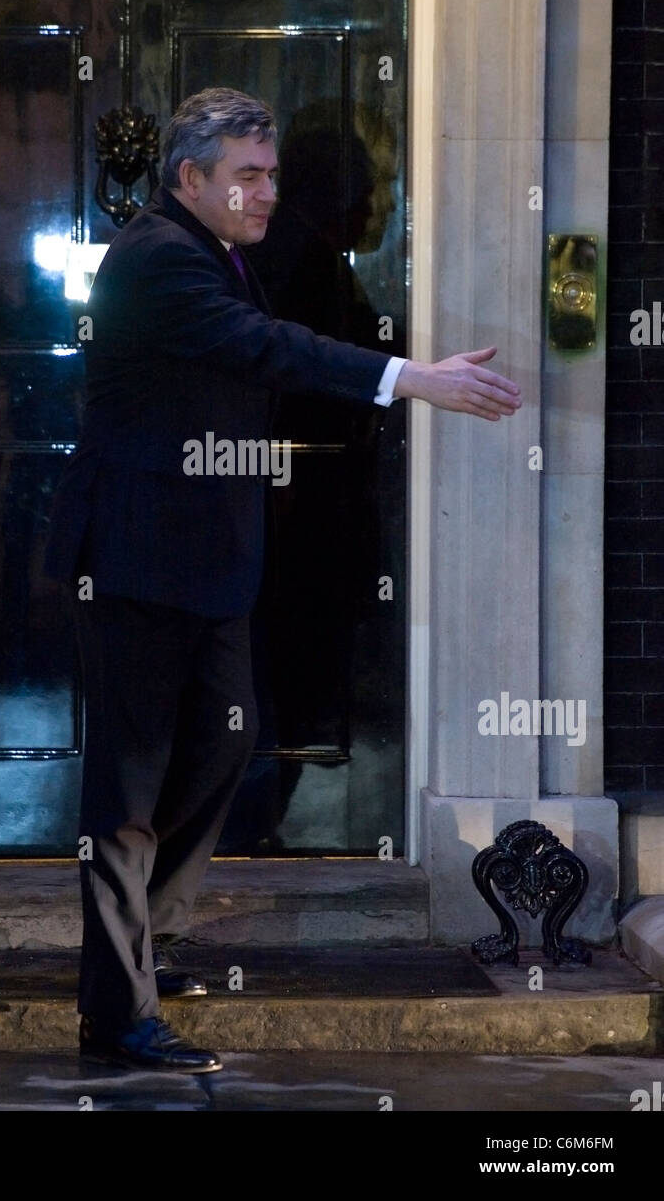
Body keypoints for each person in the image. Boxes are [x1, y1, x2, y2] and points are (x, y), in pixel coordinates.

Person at [43, 87, 522, 1073]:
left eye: (269, 173)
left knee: (228, 749)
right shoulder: (156, 260)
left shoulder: (213, 250)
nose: (268, 193)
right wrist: (410, 378)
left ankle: (149, 939)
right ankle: (115, 1012)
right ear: (191, 180)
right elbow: (269, 348)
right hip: (137, 562)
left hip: (205, 567)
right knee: (127, 797)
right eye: (248, 177)